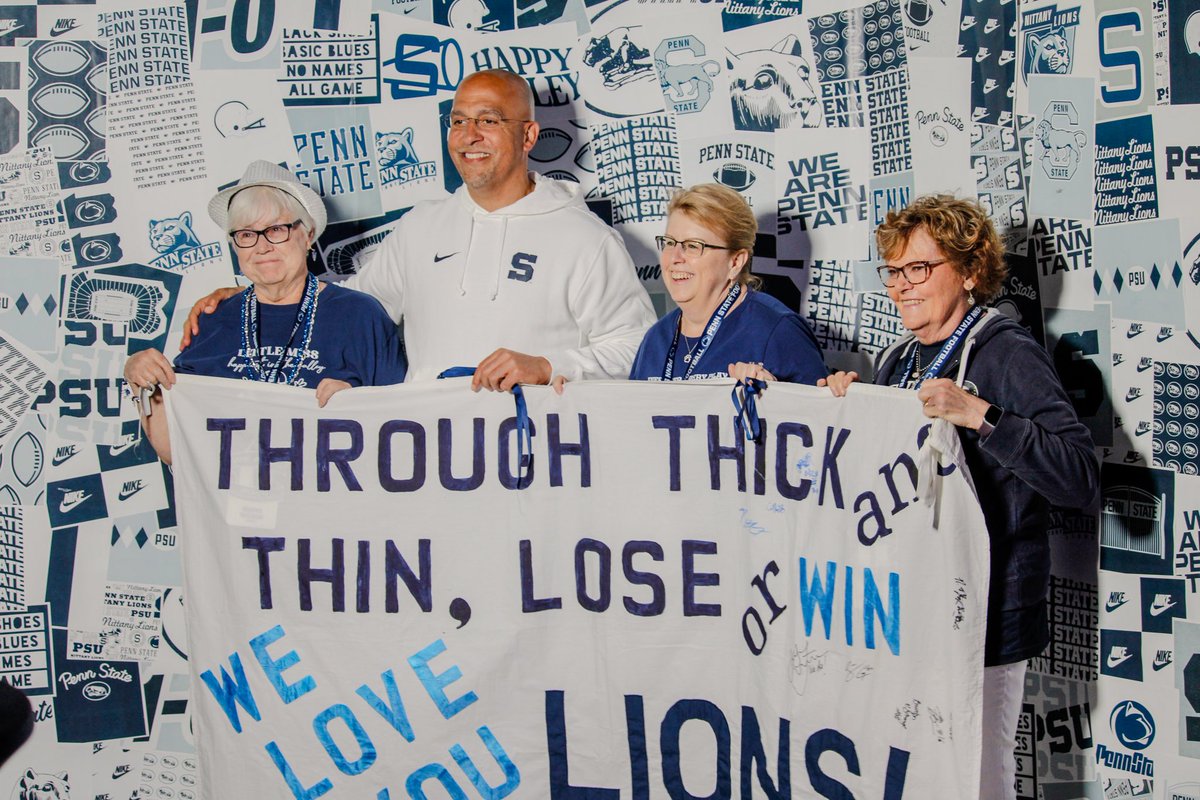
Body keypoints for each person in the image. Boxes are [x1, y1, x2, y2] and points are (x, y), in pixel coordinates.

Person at [821, 195, 1098, 800]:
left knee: (976, 780)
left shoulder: (1007, 351)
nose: (900, 287)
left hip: (989, 615)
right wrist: (847, 408)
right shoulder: (897, 359)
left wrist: (982, 414)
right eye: (892, 272)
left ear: (970, 272)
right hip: (913, 607)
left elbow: (1079, 476)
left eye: (919, 269)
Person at [182, 69, 656, 391]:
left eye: (489, 120)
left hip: (539, 463)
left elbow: (637, 350)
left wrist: (548, 366)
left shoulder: (585, 238)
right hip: (433, 471)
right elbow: (349, 310)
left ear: (529, 135)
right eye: (458, 121)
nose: (469, 135)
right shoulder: (421, 227)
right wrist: (262, 294)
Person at [123, 161, 408, 464]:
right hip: (234, 506)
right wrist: (141, 382)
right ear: (235, 246)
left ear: (307, 234)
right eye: (247, 234)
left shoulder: (360, 315)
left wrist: (358, 408)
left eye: (276, 230)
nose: (262, 247)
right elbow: (175, 453)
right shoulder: (212, 319)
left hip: (332, 504)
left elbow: (404, 433)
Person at [629, 184, 826, 383]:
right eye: (670, 242)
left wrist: (772, 399)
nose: (675, 258)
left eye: (693, 246)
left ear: (735, 262)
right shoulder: (655, 340)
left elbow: (822, 412)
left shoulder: (777, 330)